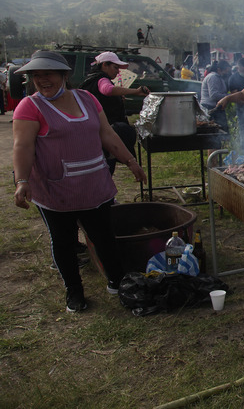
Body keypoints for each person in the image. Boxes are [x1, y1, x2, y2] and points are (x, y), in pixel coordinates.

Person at [12, 50, 147, 312]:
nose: (42, 80)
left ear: (64, 75)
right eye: (36, 76)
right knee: (63, 242)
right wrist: (22, 180)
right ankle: (74, 292)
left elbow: (106, 134)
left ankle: (117, 281)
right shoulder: (30, 106)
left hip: (93, 184)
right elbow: (23, 147)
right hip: (56, 188)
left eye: (48, 74)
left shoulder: (86, 98)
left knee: (104, 236)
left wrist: (130, 162)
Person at [79, 51, 150, 174]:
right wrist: (136, 91)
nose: (118, 71)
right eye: (115, 67)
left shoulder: (90, 80)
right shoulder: (101, 79)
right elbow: (107, 90)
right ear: (104, 65)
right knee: (106, 168)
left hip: (91, 132)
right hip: (104, 134)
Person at [227, 57, 244, 153]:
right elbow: (237, 97)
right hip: (242, 109)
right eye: (243, 68)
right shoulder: (233, 79)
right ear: (239, 67)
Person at [199, 59, 231, 130]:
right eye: (226, 70)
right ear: (219, 69)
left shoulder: (219, 78)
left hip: (217, 108)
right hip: (211, 109)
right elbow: (214, 95)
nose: (227, 73)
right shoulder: (213, 77)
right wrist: (229, 97)